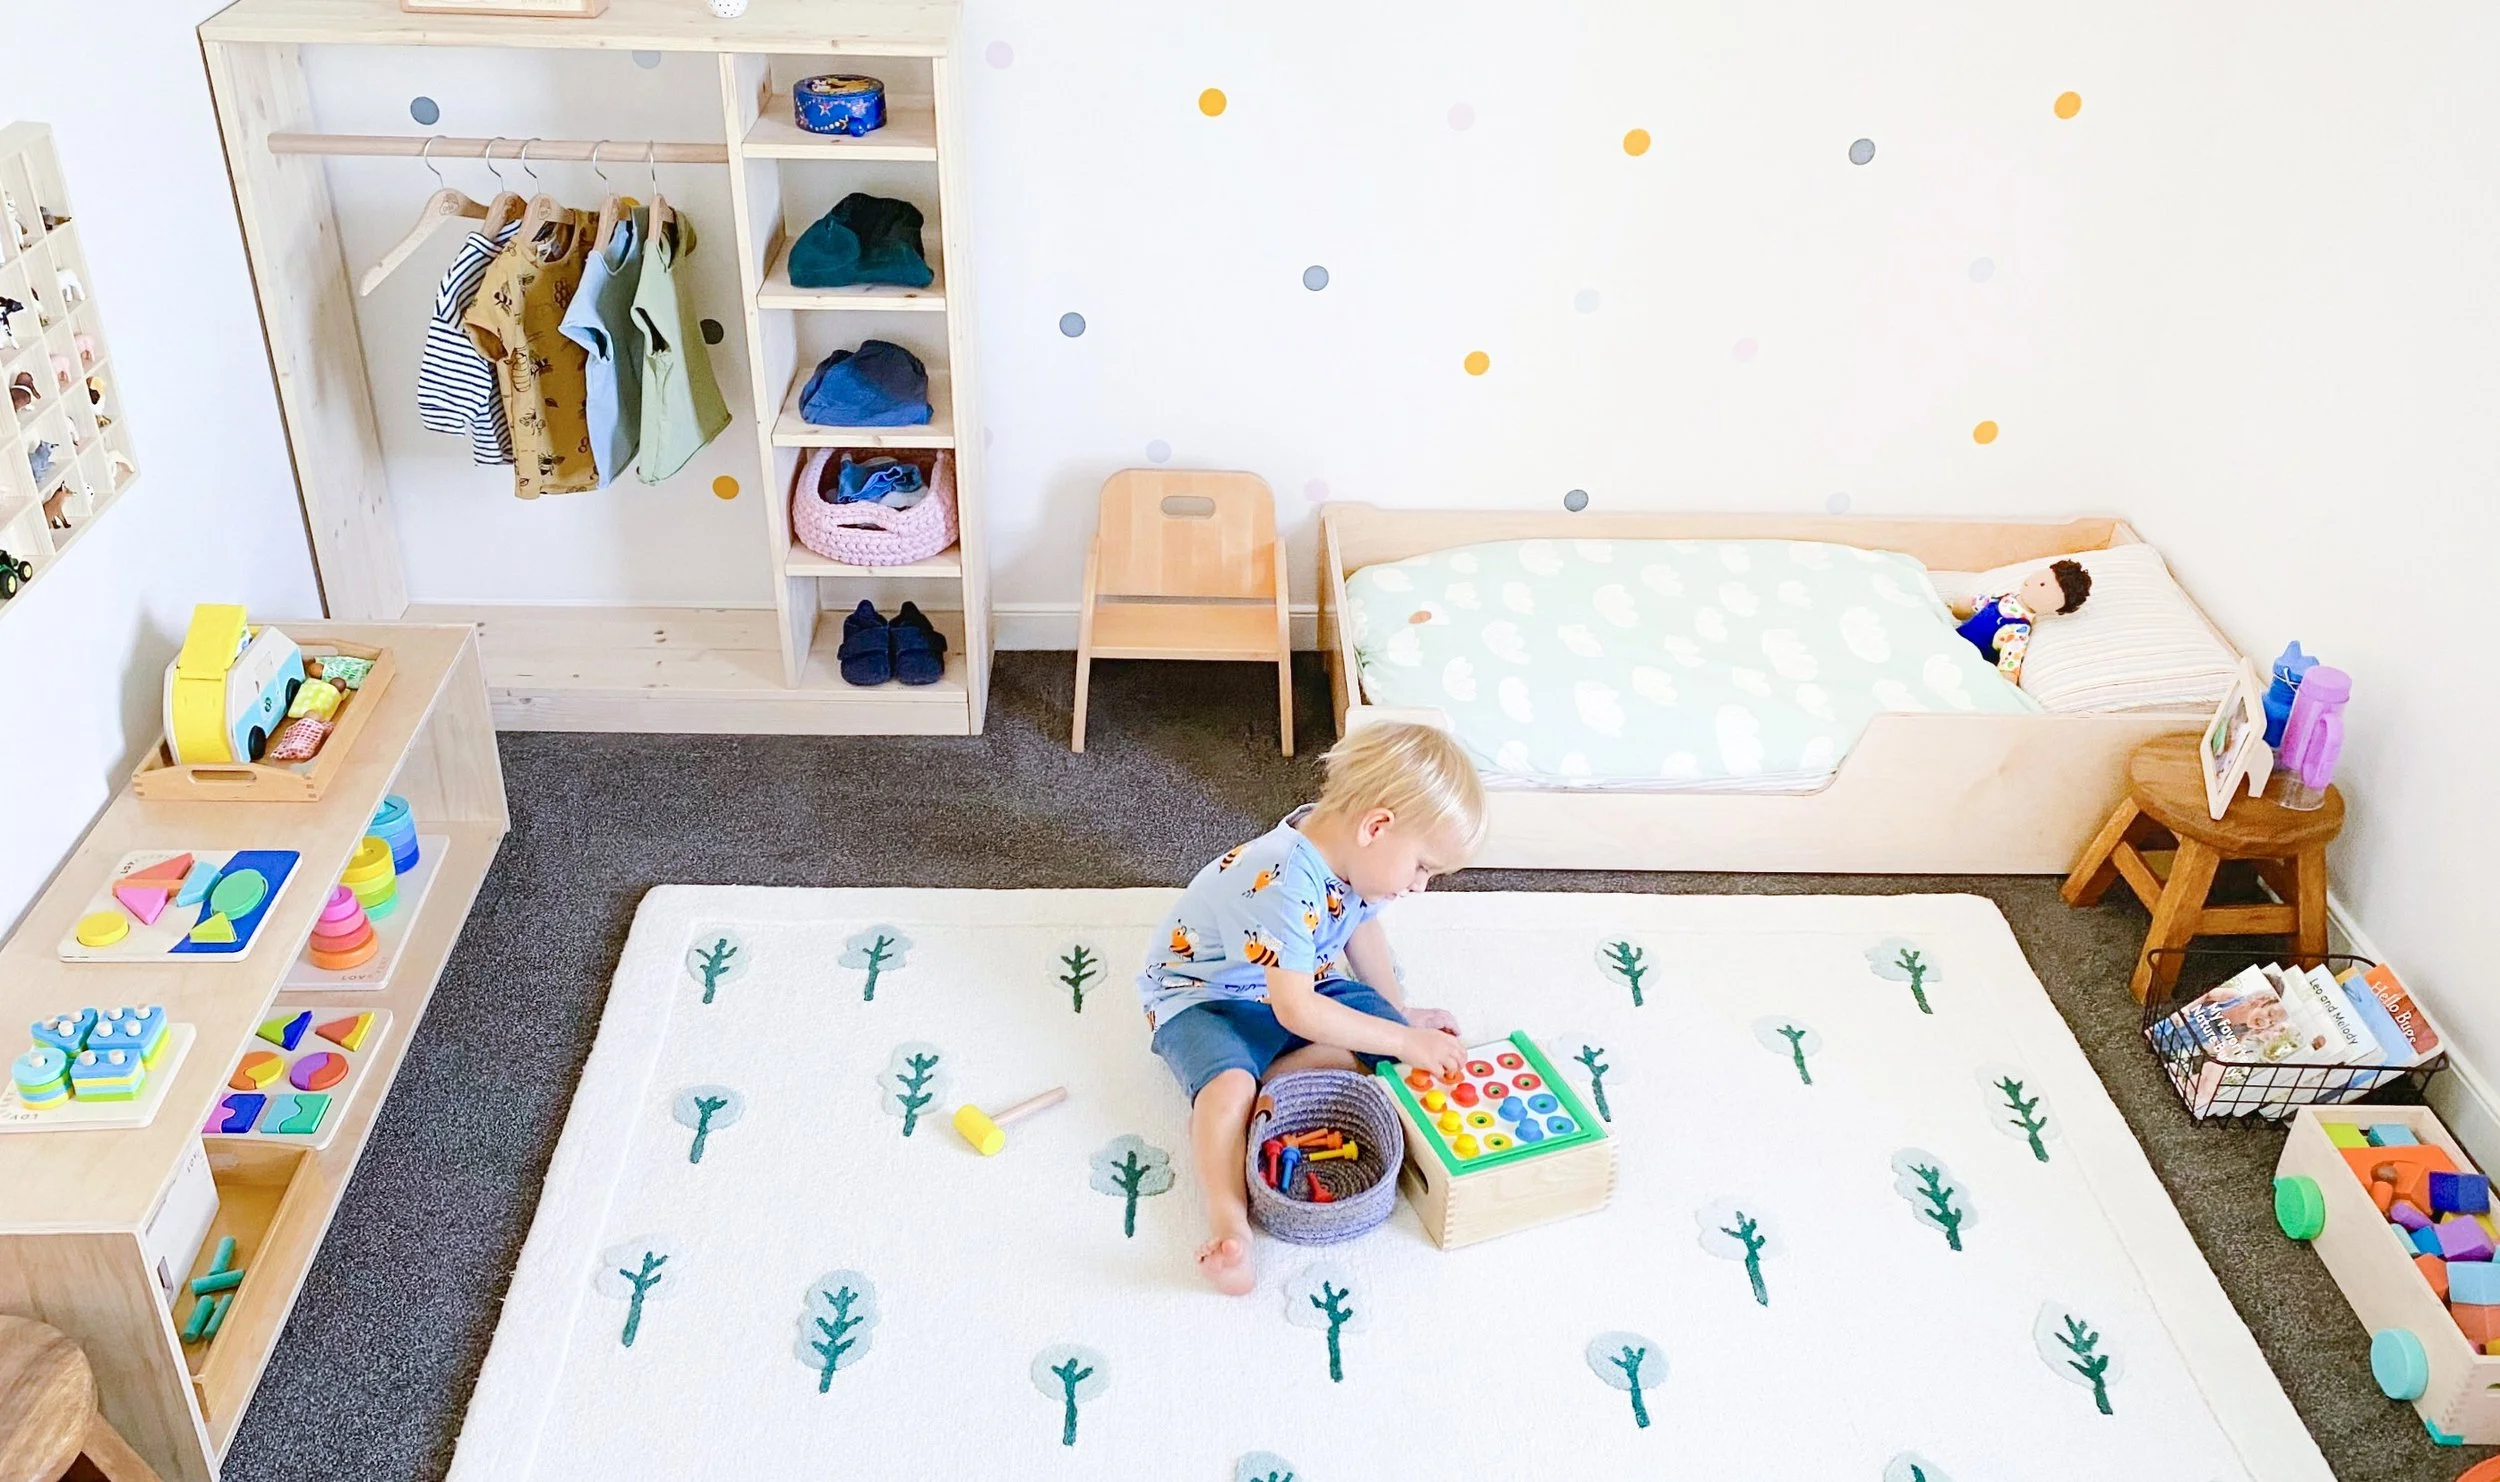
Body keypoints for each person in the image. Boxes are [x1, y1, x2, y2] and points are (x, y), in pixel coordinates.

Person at [1136, 721, 1487, 1293]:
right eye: (1423, 866)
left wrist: (1399, 1017)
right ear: (1377, 826)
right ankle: (1230, 1221)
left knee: (1379, 1053)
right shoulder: (1282, 878)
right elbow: (1298, 1011)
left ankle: (1268, 1085)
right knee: (1227, 1089)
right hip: (1204, 999)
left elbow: (1361, 932)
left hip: (1294, 983)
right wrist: (1398, 1039)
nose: (1422, 886)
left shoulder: (1347, 851)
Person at [1952, 558, 2092, 682]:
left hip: (1965, 660)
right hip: (1952, 638)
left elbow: (2009, 665)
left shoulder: (2019, 629)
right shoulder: (2005, 598)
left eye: (2043, 584)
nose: (2034, 580)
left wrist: (2007, 682)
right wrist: (1962, 606)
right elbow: (1976, 604)